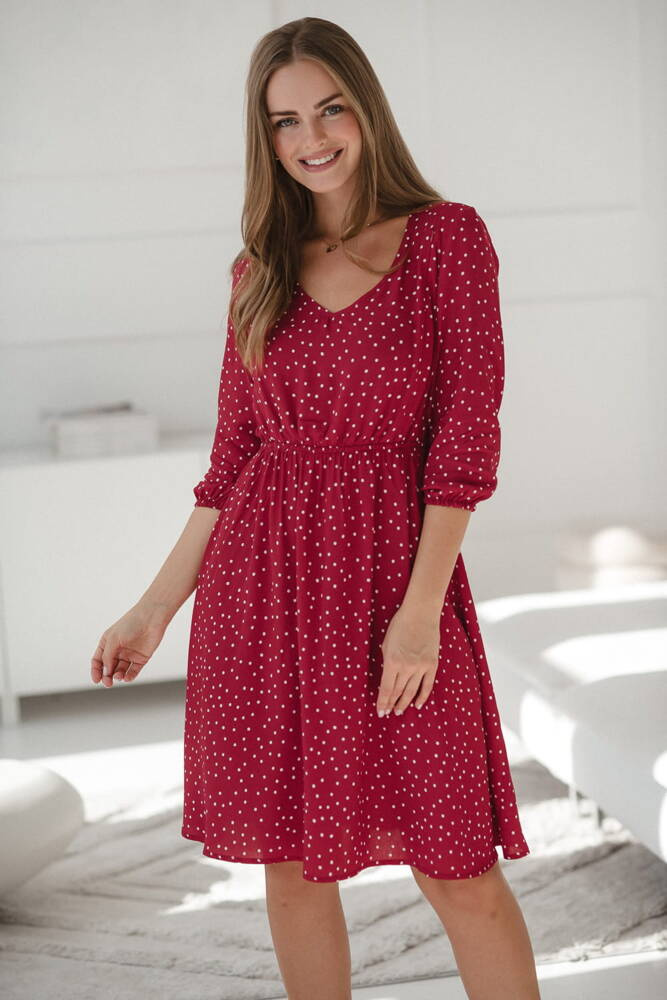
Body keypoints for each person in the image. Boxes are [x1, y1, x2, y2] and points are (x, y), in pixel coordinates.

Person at [90, 16, 541, 1000]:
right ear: (266, 138)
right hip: (263, 594)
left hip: (396, 583)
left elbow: (466, 440)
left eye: (330, 109)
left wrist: (418, 615)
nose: (312, 138)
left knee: (457, 867)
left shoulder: (445, 240)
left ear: (365, 109)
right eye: (285, 121)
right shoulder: (258, 274)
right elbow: (231, 465)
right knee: (291, 868)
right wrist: (152, 609)